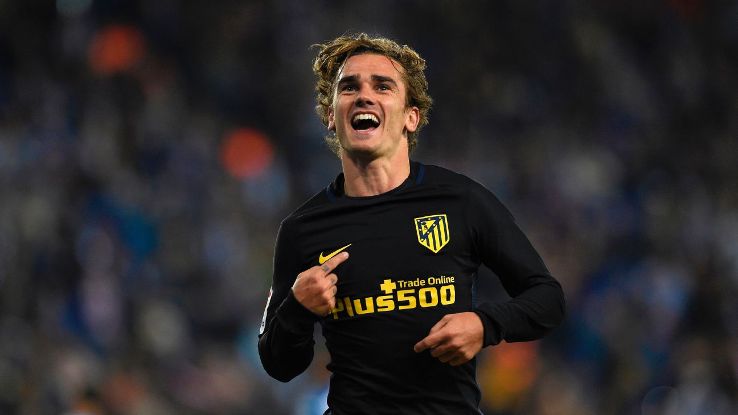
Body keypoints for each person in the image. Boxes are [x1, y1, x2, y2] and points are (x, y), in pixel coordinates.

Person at [258, 33, 565, 415]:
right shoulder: (302, 229)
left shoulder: (461, 201)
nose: (364, 95)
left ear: (410, 116)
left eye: (382, 86)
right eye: (349, 87)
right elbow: (278, 364)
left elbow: (547, 299)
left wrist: (485, 324)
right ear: (331, 117)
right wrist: (298, 309)